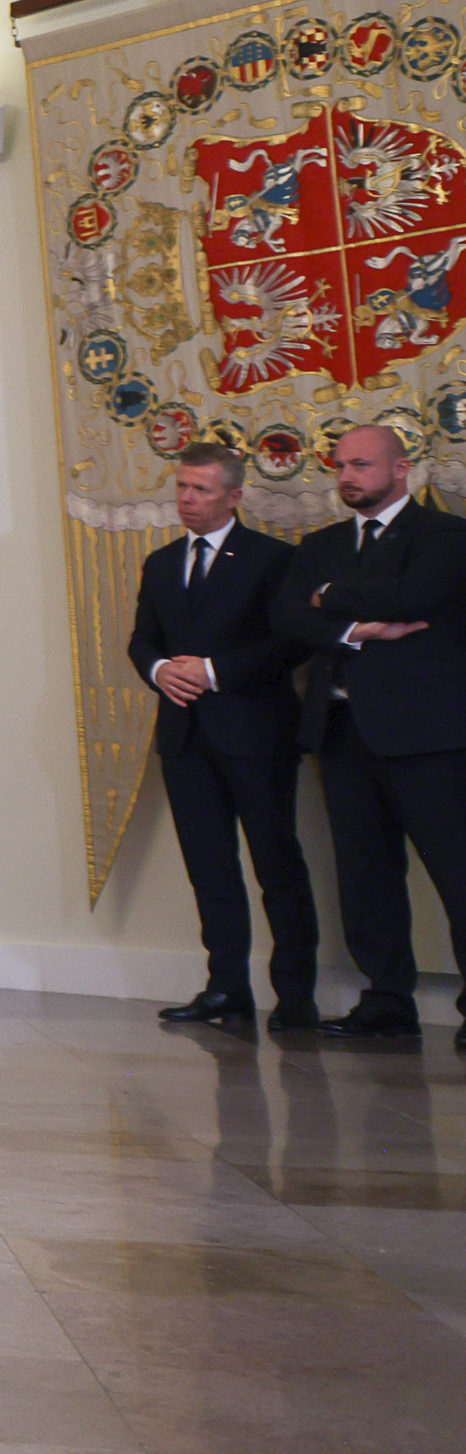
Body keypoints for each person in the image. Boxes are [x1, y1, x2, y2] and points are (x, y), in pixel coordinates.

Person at [271, 422, 466, 1045]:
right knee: (365, 874)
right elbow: (286, 616)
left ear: (401, 469)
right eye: (340, 466)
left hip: (429, 736)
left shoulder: (445, 534)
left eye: (360, 464)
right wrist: (359, 628)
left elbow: (414, 594)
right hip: (342, 732)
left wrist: (329, 597)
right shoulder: (319, 543)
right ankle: (386, 998)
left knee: (458, 872)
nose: (347, 476)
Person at [125, 444, 316, 1034]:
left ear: (234, 496)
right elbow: (143, 641)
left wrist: (213, 672)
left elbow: (291, 642)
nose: (187, 498)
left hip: (255, 732)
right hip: (185, 735)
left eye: (201, 489)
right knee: (209, 869)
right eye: (182, 487)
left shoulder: (274, 558)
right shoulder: (160, 563)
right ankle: (226, 988)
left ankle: (295, 996)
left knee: (276, 864)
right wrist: (160, 672)